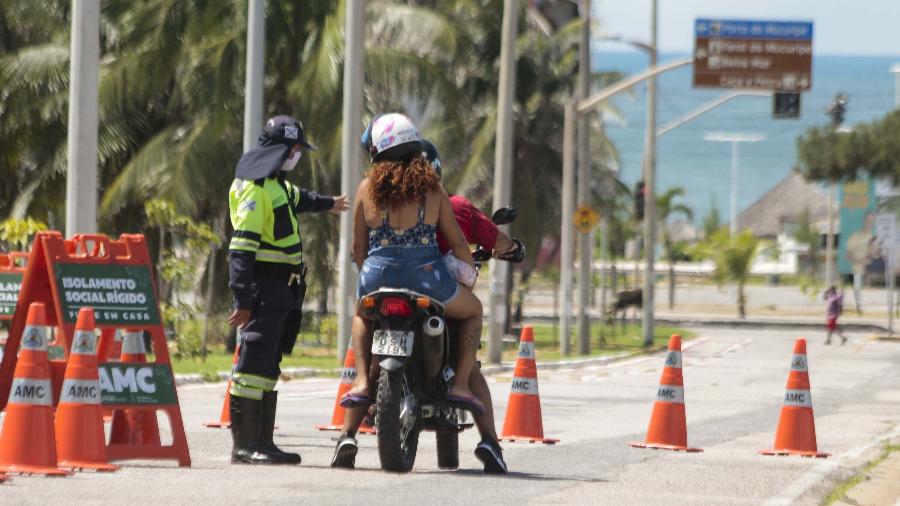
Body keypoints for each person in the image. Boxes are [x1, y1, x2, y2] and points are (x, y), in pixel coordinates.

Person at [331, 113, 484, 469]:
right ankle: (460, 383)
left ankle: (360, 382)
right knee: (474, 309)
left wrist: (372, 273)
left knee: (361, 314)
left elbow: (358, 247)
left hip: (377, 279)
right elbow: (459, 243)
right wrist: (469, 270)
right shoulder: (431, 190)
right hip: (427, 281)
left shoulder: (366, 189)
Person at [227, 115, 349, 465]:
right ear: (285, 150)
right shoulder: (255, 188)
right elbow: (241, 250)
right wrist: (244, 299)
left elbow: (301, 199)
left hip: (283, 290)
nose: (298, 156)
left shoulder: (277, 185)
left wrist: (330, 204)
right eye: (296, 150)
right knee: (252, 365)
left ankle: (263, 442)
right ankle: (245, 445)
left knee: (267, 366)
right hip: (264, 289)